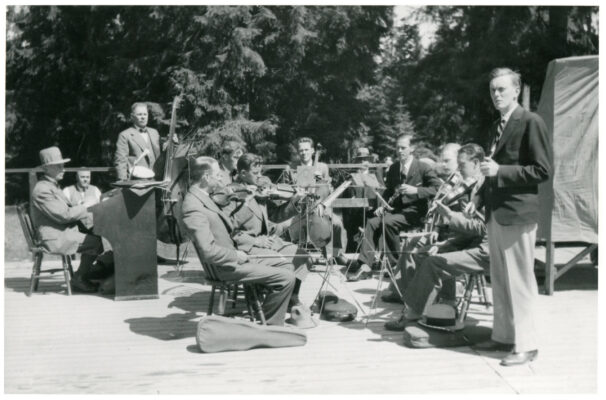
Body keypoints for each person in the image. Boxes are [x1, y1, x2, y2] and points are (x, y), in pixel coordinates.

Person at [470, 67, 551, 366]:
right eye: (493, 90)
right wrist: (478, 196)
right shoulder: (497, 126)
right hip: (495, 212)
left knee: (520, 282)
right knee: (501, 281)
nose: (496, 94)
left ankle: (527, 345)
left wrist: (500, 172)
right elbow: (491, 168)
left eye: (502, 89)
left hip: (518, 214)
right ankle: (503, 336)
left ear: (516, 90)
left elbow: (542, 170)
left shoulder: (531, 121)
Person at [382, 143, 489, 330]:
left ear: (476, 164)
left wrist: (449, 218)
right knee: (423, 253)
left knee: (433, 259)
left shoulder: (484, 188)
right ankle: (442, 304)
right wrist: (445, 240)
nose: (459, 168)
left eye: (461, 164)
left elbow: (482, 229)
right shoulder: (469, 184)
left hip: (481, 247)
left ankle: (414, 313)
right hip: (464, 240)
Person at [180, 156, 295, 326]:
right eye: (217, 175)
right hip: (226, 266)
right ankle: (271, 326)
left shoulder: (202, 197)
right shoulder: (193, 206)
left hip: (231, 257)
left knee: (287, 265)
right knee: (286, 277)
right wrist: (235, 255)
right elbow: (207, 251)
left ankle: (265, 316)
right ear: (206, 177)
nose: (221, 178)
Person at [223, 153, 312, 310]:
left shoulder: (259, 191)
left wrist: (295, 200)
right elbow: (229, 228)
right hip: (247, 247)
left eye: (260, 173)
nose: (260, 177)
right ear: (243, 173)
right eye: (255, 173)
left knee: (302, 256)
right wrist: (256, 241)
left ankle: (292, 297)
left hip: (267, 241)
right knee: (283, 262)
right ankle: (270, 301)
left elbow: (276, 216)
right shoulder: (232, 193)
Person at [347, 134, 441, 281]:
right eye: (397, 147)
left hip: (415, 213)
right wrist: (383, 206)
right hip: (396, 212)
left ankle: (395, 266)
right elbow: (389, 192)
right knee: (372, 222)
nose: (399, 151)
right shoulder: (394, 168)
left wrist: (416, 190)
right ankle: (365, 266)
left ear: (412, 148)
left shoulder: (423, 167)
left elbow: (438, 188)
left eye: (403, 147)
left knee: (387, 222)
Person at [31, 147, 113, 293]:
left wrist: (93, 215)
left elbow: (69, 211)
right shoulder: (42, 190)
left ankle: (86, 275)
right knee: (96, 242)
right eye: (59, 166)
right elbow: (64, 215)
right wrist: (85, 205)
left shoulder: (52, 186)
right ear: (47, 168)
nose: (63, 169)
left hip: (60, 231)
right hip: (54, 238)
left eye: (63, 165)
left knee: (97, 235)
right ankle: (80, 278)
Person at [288, 137, 348, 265]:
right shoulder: (292, 168)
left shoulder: (322, 167)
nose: (304, 153)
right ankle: (299, 256)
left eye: (306, 150)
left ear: (313, 151)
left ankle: (337, 254)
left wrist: (321, 180)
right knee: (290, 226)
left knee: (337, 223)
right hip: (300, 209)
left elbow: (327, 191)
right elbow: (288, 190)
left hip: (319, 208)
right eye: (301, 150)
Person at [114, 102, 174, 181]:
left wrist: (171, 142)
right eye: (139, 114)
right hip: (137, 182)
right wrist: (123, 182)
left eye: (145, 114)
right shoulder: (125, 135)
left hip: (157, 181)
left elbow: (163, 151)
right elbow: (120, 161)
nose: (143, 117)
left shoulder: (154, 132)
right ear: (132, 117)